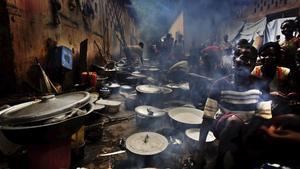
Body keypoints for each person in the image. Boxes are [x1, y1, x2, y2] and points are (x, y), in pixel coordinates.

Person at [199, 40, 272, 169]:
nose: (245, 62)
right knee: (234, 122)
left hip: (247, 129)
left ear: (254, 63)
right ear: (233, 61)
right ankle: (219, 160)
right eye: (241, 57)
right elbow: (207, 117)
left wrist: (249, 136)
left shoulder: (262, 85)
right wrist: (200, 149)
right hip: (223, 125)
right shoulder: (220, 84)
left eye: (250, 59)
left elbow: (264, 117)